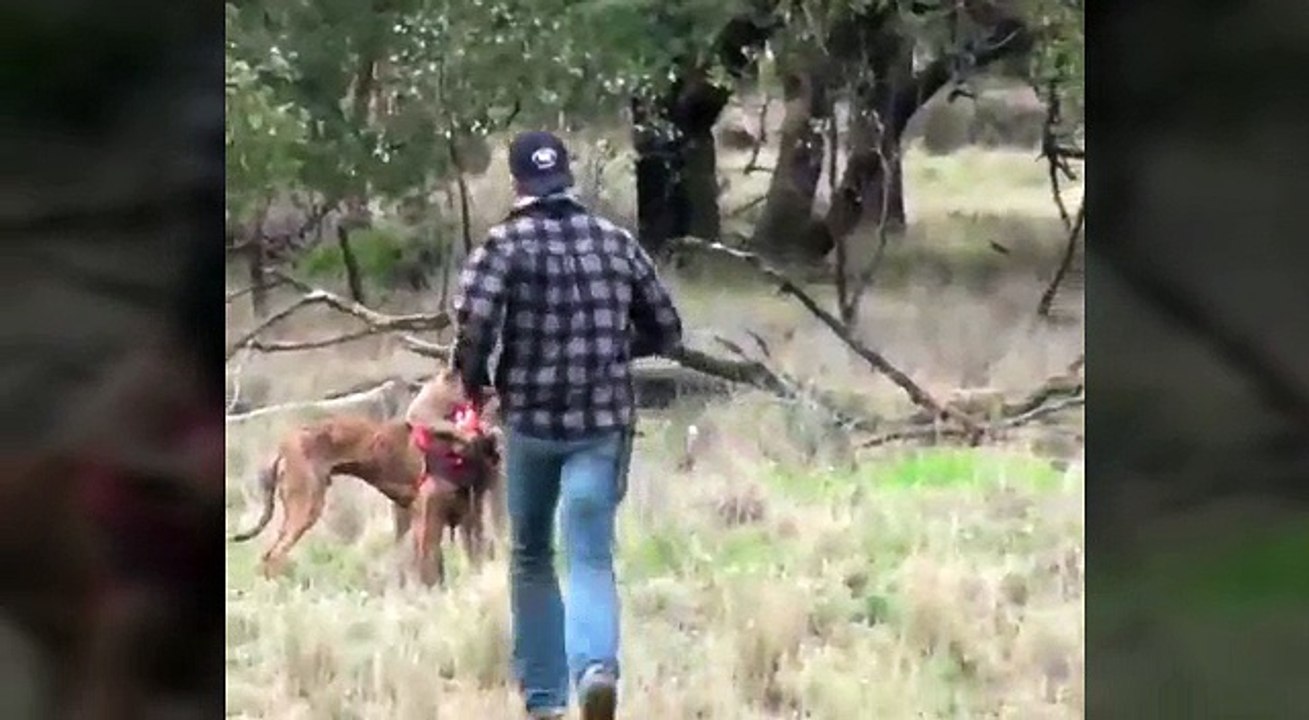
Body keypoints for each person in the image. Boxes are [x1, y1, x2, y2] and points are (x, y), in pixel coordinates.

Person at [451, 130, 683, 720]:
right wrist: (610, 350)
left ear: (518, 182)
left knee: (531, 555)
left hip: (531, 424)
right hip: (603, 426)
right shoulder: (615, 241)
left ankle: (546, 701)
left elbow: (474, 322)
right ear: (569, 177)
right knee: (590, 555)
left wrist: (474, 382)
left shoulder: (504, 245)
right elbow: (667, 328)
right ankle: (597, 669)